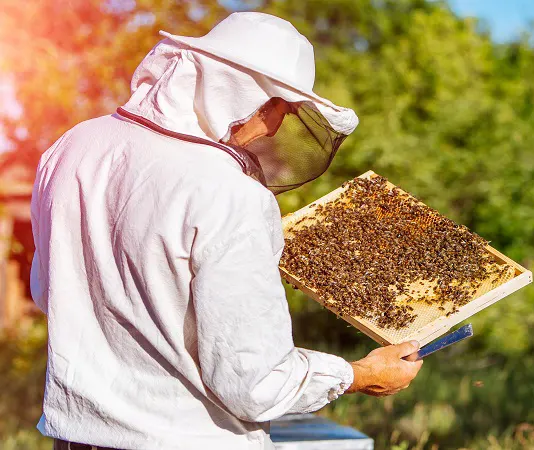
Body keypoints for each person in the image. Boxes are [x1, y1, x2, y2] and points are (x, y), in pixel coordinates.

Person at [30, 12, 422, 450]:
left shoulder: (72, 147)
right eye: (281, 109)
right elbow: (254, 382)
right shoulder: (231, 195)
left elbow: (48, 292)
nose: (275, 128)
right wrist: (361, 375)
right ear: (243, 94)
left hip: (76, 440)